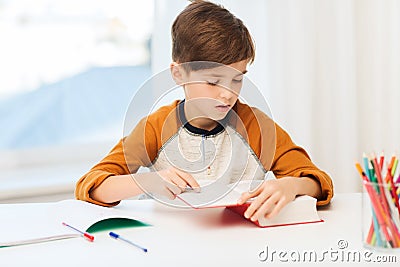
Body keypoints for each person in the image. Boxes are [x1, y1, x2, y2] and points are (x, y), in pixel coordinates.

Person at [75, 0, 333, 222]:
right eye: (213, 81)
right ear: (178, 74)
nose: (228, 93)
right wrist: (148, 182)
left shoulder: (256, 126)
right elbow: (92, 185)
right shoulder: (155, 127)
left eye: (237, 79)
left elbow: (319, 183)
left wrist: (291, 185)